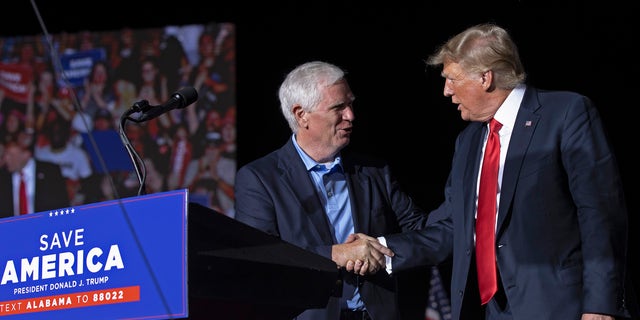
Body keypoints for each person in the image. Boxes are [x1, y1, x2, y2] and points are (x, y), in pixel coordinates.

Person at [362, 23, 637, 320]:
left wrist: (600, 305)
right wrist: (381, 248)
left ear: (485, 78)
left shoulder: (566, 114)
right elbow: (453, 227)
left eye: (452, 79)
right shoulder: (467, 141)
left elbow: (600, 214)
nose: (446, 91)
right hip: (490, 310)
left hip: (562, 306)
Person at [234, 60, 431, 320]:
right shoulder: (260, 178)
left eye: (350, 104)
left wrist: (379, 249)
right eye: (338, 107)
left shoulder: (373, 171)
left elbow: (421, 232)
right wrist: (334, 254)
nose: (351, 115)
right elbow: (261, 257)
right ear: (301, 114)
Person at [0, 130, 70, 217]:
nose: (6, 159)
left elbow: (61, 207)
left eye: (11, 155)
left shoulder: (50, 173)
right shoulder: (3, 177)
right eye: (5, 155)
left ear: (26, 155)